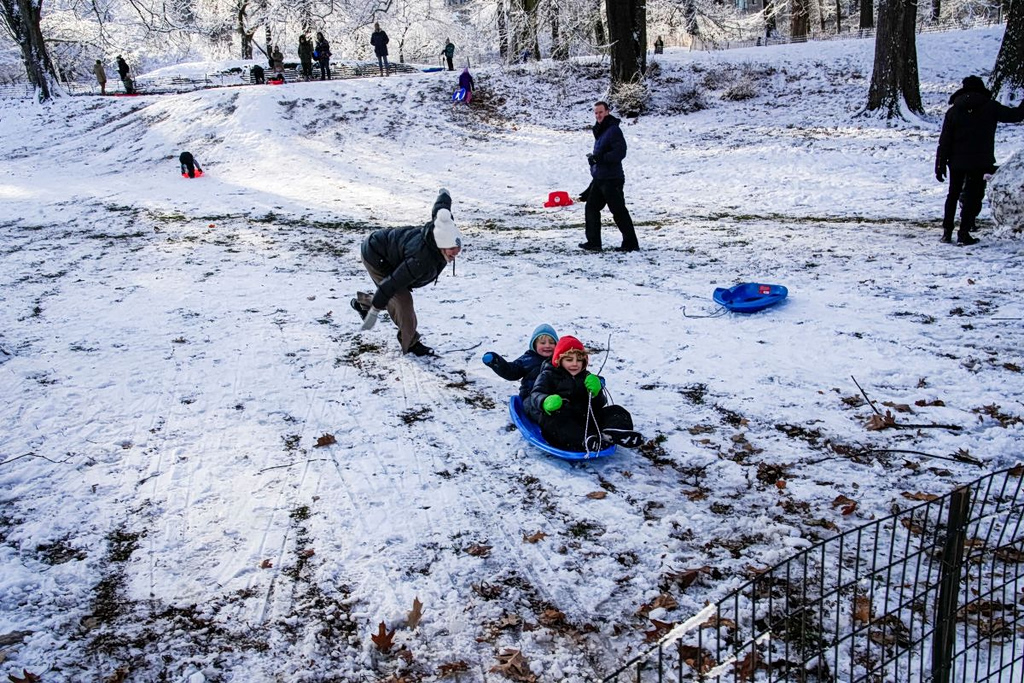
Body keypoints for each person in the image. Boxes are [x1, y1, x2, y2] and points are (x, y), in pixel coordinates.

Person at [352, 188, 462, 356]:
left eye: (457, 248)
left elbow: (441, 206)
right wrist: (373, 314)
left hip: (392, 251)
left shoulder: (444, 225)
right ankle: (410, 343)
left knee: (394, 297)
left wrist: (444, 193)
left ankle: (363, 303)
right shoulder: (420, 259)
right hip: (376, 255)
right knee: (403, 301)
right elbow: (390, 285)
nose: (455, 253)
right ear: (440, 245)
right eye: (451, 249)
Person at [935, 75, 1024, 246]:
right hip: (979, 160)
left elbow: (945, 139)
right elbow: (1015, 116)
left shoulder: (953, 111)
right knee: (972, 195)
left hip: (956, 160)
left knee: (953, 194)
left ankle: (947, 232)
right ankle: (964, 232)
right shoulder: (990, 107)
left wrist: (940, 163)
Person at [525, 336, 643, 452]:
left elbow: (598, 405)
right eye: (569, 360)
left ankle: (616, 432)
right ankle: (586, 440)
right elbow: (535, 393)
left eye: (579, 360)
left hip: (583, 416)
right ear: (559, 360)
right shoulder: (548, 375)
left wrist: (596, 393)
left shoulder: (586, 376)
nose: (575, 364)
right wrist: (545, 401)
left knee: (616, 410)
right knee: (555, 422)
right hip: (562, 416)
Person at [578, 101, 639, 252]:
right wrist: (593, 161)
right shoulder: (601, 130)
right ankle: (594, 243)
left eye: (600, 112)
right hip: (600, 179)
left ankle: (631, 244)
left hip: (612, 179)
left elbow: (620, 153)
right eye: (596, 113)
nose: (598, 115)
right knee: (591, 208)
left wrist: (599, 159)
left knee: (618, 211)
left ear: (607, 112)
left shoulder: (613, 130)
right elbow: (602, 153)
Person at [483, 324, 558, 400]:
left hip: (556, 397)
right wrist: (497, 362)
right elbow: (512, 371)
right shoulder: (528, 359)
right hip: (531, 397)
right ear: (535, 345)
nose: (548, 345)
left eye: (552, 343)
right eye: (542, 343)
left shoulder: (560, 360)